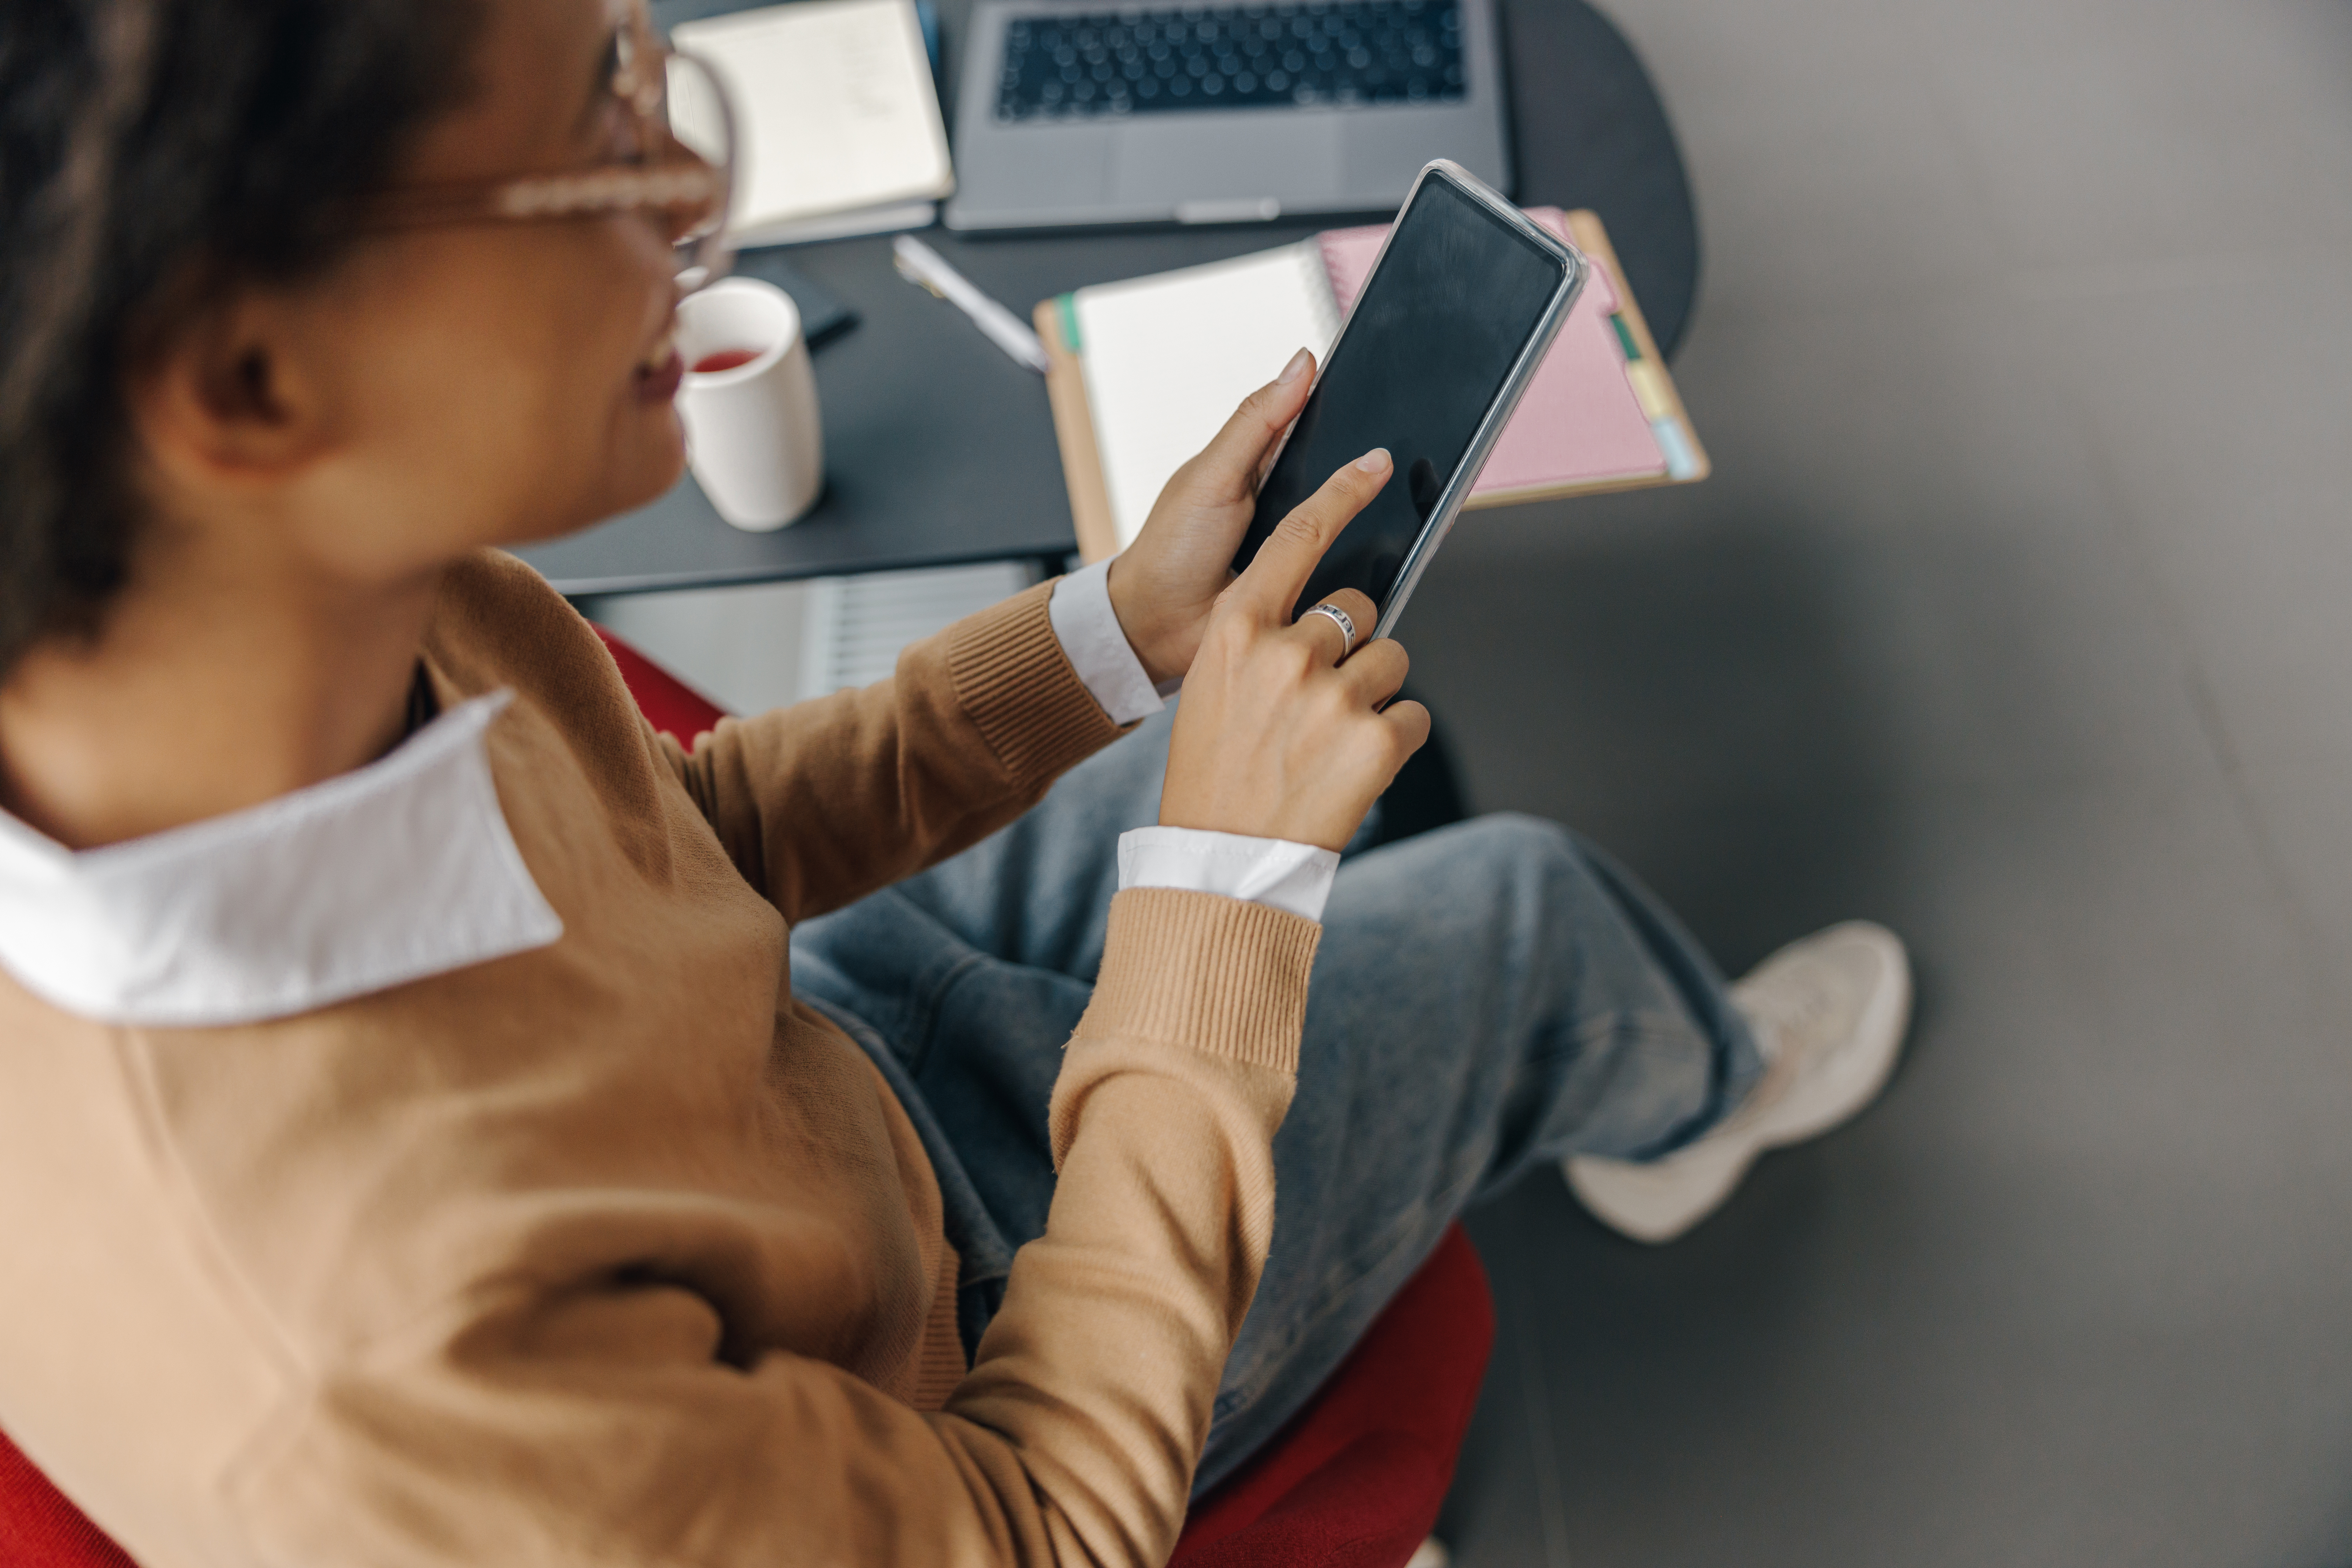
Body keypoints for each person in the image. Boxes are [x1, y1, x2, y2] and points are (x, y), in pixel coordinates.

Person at [0, 0, 1911, 1563]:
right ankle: (1693, 1101)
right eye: (597, 127)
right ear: (250, 384)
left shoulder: (314, 608)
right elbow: (1041, 1527)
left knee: (1220, 698)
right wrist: (1216, 899)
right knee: (1520, 907)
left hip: (799, 1087)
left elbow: (692, 839)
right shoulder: (399, 1373)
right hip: (951, 1378)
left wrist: (1106, 634)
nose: (687, 199)